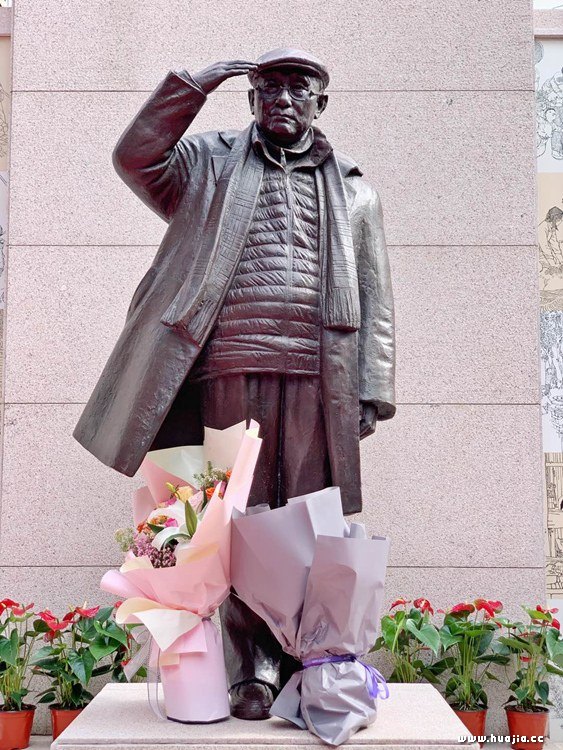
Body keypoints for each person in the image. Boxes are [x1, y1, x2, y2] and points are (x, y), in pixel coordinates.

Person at [74, 48, 396, 719]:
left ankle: (307, 661)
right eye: (268, 88)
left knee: (306, 520)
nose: (283, 99)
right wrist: (191, 87)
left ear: (320, 103)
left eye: (298, 88)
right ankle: (251, 667)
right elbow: (136, 159)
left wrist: (372, 388)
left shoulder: (354, 189)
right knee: (233, 519)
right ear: (250, 100)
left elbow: (375, 295)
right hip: (229, 363)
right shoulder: (206, 164)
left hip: (319, 375)